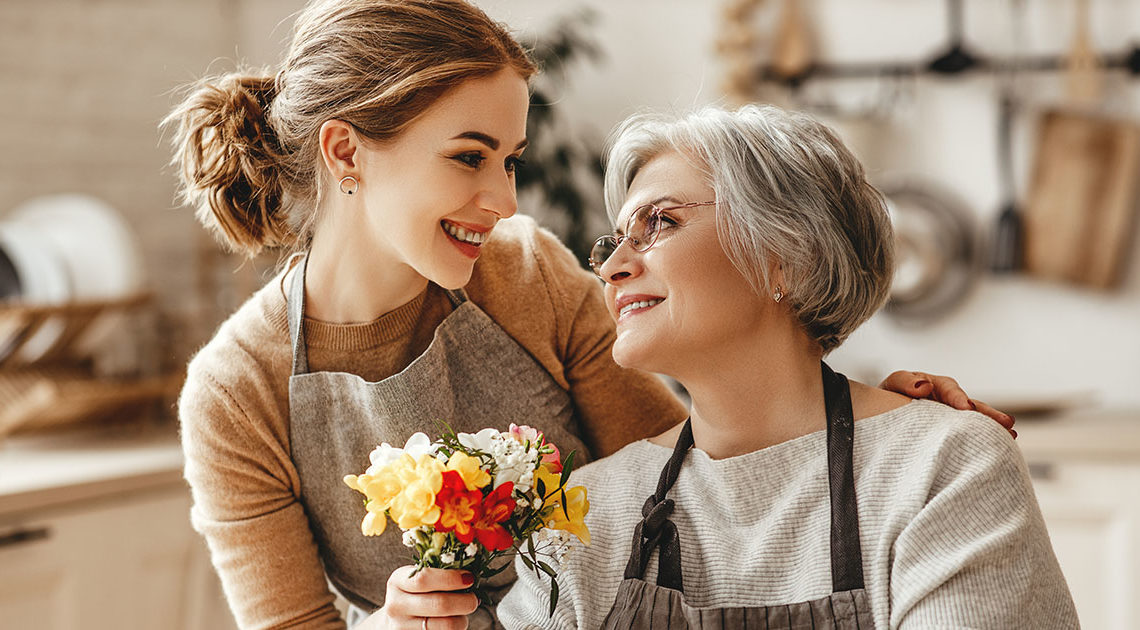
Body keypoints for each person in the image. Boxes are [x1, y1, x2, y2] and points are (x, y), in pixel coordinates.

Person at [165, 1, 1014, 628]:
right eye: (469, 157)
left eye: (511, 160)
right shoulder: (235, 394)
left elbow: (700, 475)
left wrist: (874, 424)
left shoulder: (525, 276)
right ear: (346, 151)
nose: (502, 199)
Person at [497, 104, 1076, 629]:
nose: (614, 266)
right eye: (616, 240)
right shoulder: (585, 512)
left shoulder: (941, 467)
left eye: (661, 223)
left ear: (789, 257)